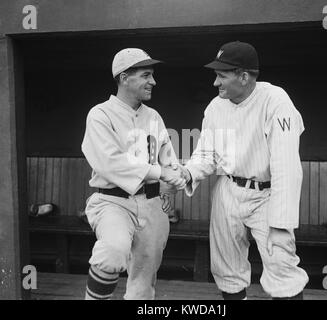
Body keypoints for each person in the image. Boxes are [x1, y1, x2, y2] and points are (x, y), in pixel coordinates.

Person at [176, 41, 309, 300]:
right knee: (226, 268)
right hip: (229, 190)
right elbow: (207, 154)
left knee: (281, 264)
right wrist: (188, 173)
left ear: (244, 76)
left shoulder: (276, 101)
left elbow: (287, 167)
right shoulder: (215, 107)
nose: (216, 82)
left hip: (267, 194)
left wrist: (282, 222)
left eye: (222, 75)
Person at [81, 48, 185, 300]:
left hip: (152, 204)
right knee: (112, 251)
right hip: (112, 201)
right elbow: (110, 163)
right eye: (146, 75)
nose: (153, 81)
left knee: (143, 283)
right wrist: (160, 172)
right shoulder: (100, 114)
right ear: (124, 77)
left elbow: (167, 158)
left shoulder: (154, 116)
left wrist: (178, 173)